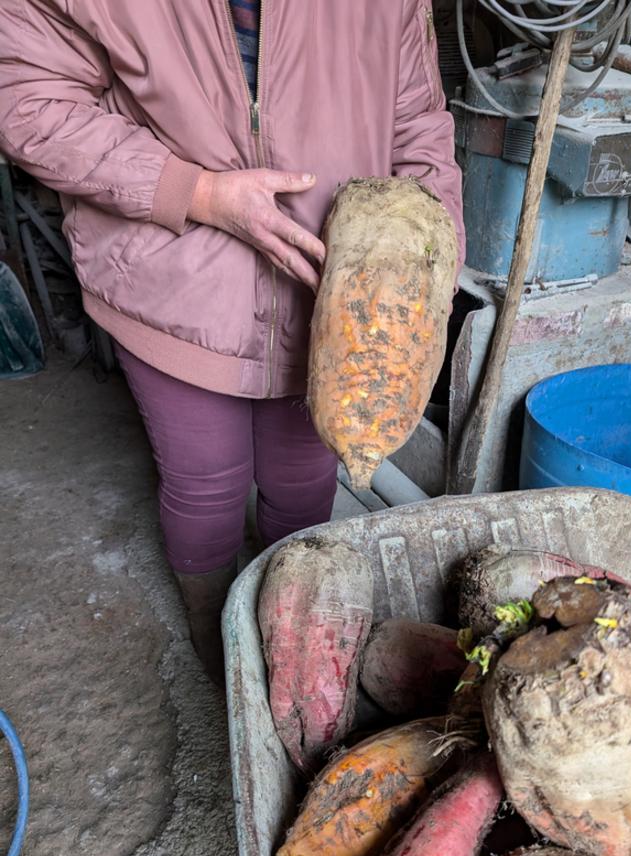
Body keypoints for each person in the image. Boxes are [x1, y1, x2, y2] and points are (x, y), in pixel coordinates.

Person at [0, 0, 465, 685]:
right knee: (204, 481)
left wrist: (427, 261)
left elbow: (418, 124)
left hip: (333, 293)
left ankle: (293, 629)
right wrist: (195, 192)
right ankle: (215, 634)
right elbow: (26, 95)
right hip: (175, 282)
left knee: (304, 476)